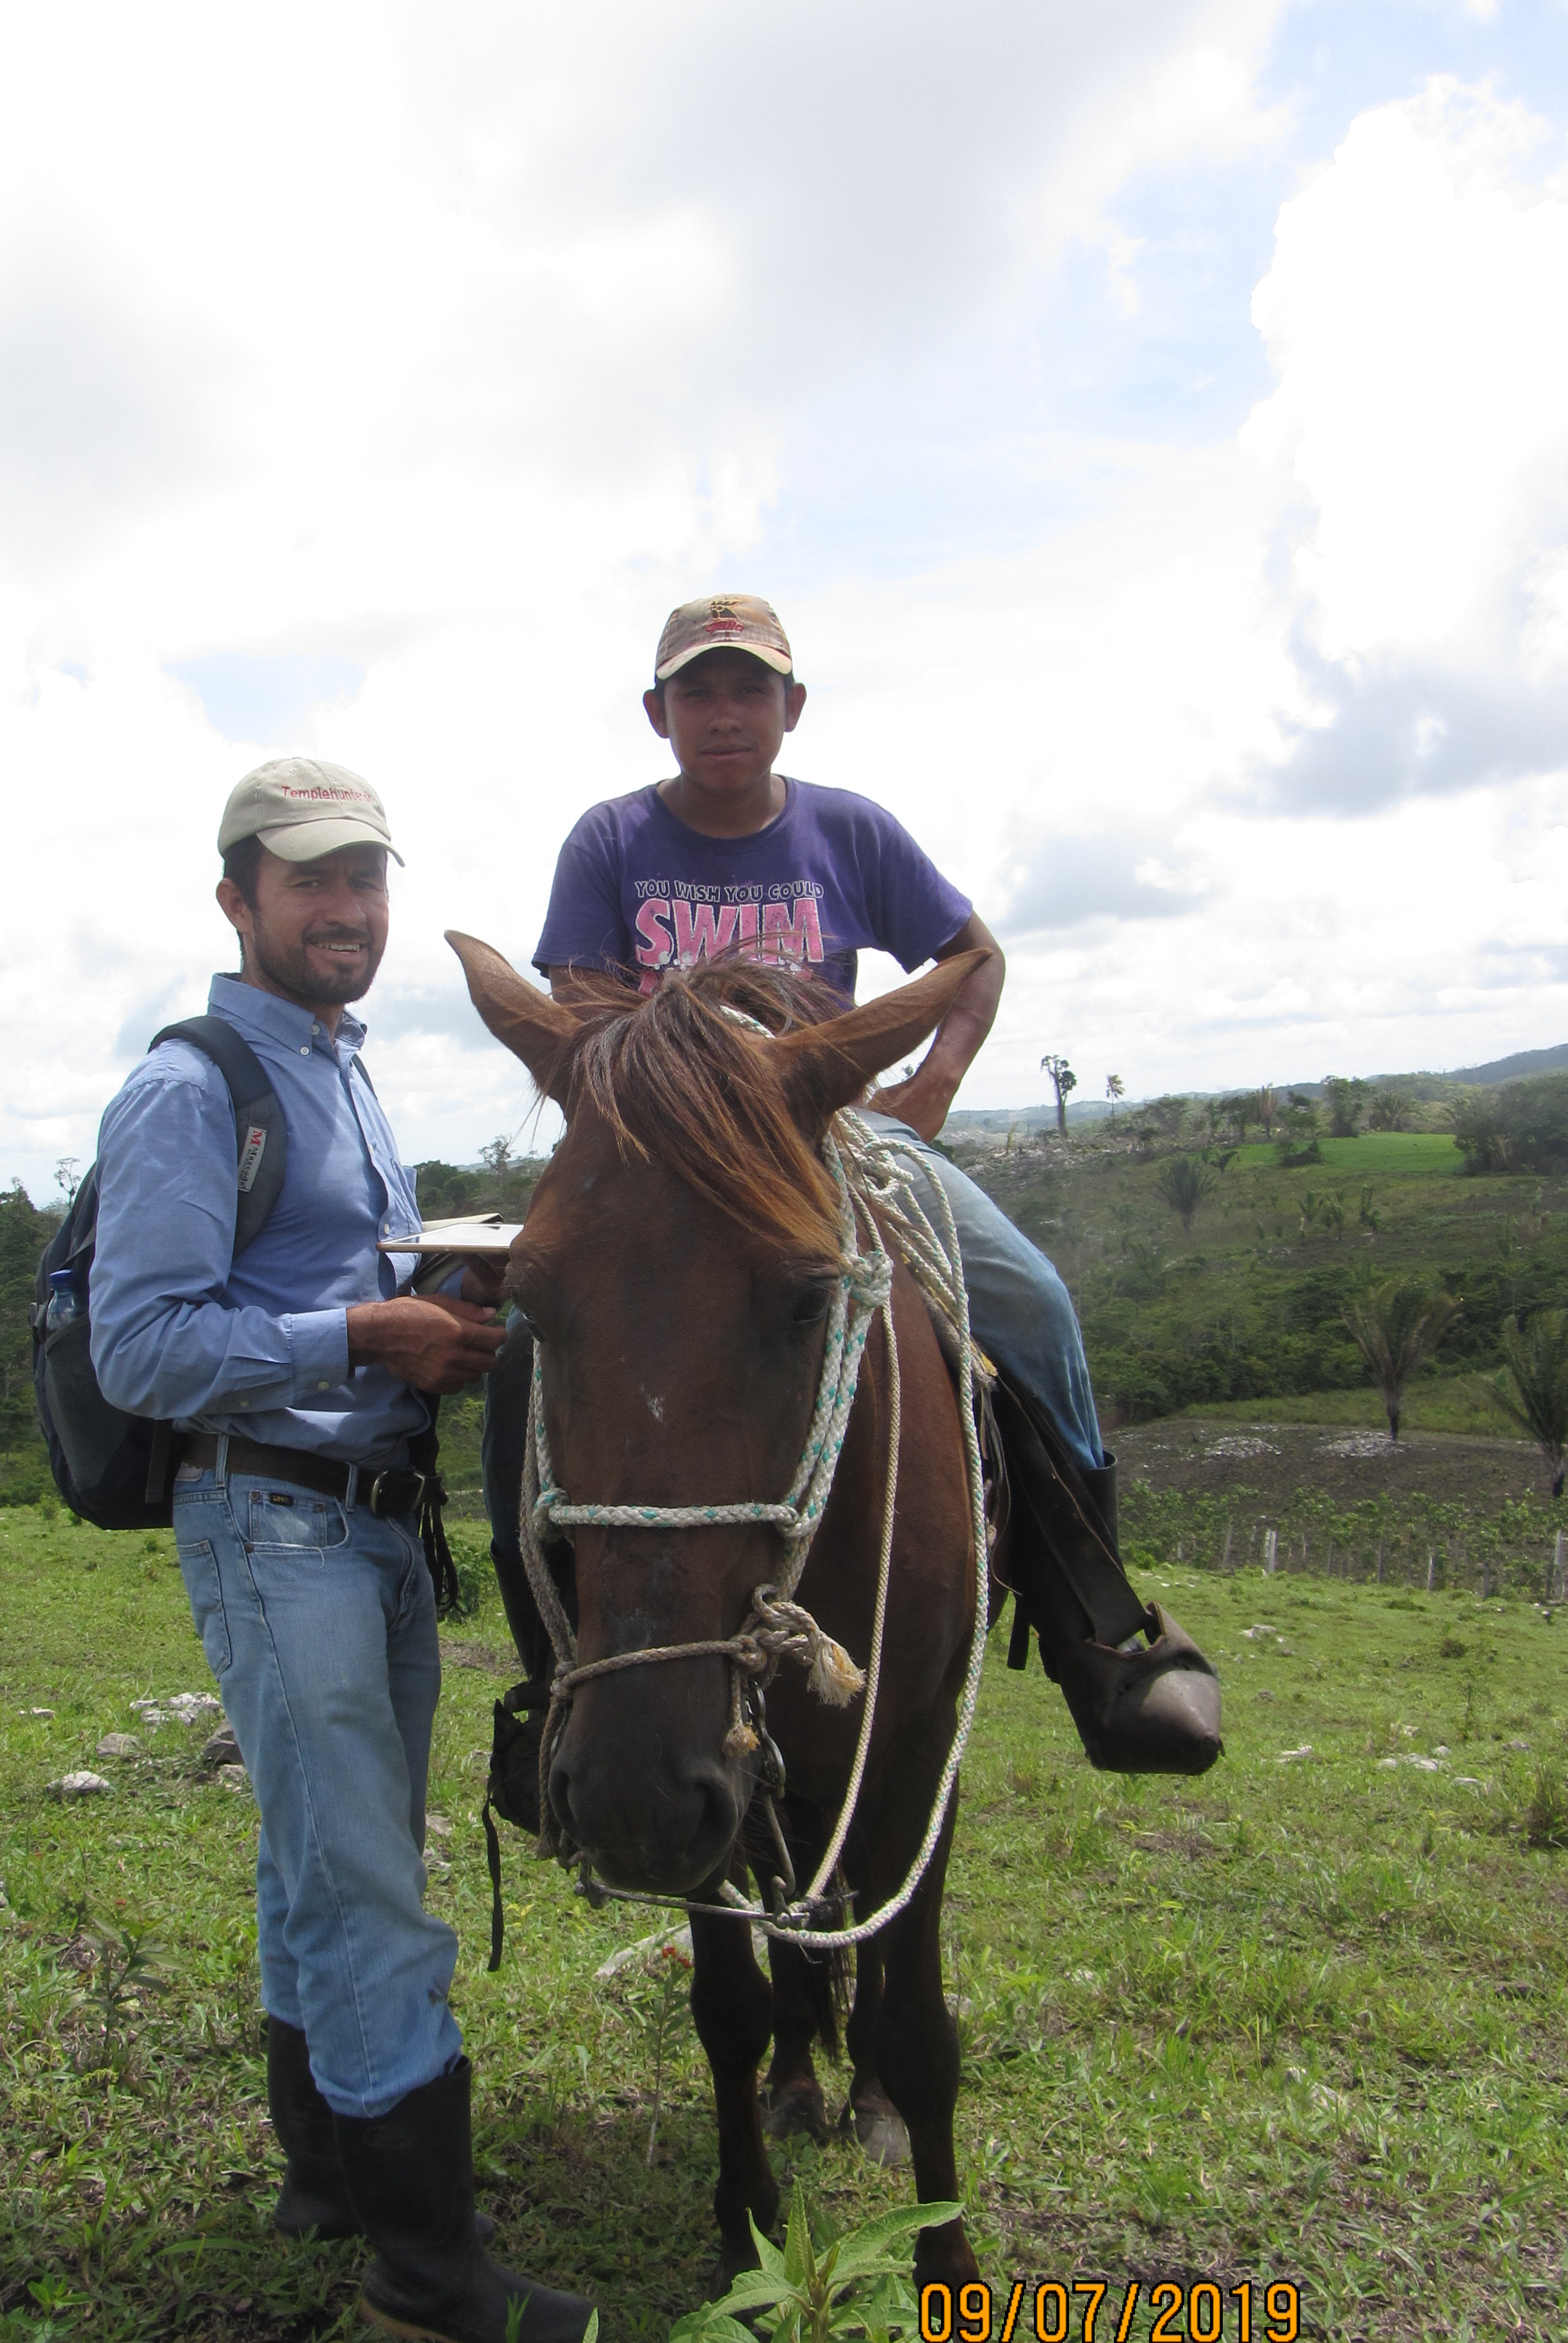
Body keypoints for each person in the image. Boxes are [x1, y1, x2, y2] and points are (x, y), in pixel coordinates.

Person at [483, 599, 1221, 1781]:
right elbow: (580, 1006)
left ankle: (1097, 1625)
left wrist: (931, 1086)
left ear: (792, 708)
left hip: (825, 1136)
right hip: (668, 1159)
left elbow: (971, 956)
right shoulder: (609, 840)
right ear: (657, 713)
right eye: (699, 693)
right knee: (531, 1346)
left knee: (1030, 1301)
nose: (725, 715)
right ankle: (552, 1675)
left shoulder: (852, 830)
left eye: (750, 690)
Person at [87, 755, 592, 2343]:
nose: (346, 909)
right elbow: (141, 1345)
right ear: (238, 899)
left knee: (320, 1852)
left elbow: (314, 1277)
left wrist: (443, 1297)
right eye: (310, 880)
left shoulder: (342, 1066)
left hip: (371, 1523)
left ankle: (325, 2179)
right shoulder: (189, 1087)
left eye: (365, 878)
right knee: (373, 1880)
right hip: (271, 1514)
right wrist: (366, 1329)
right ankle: (429, 2272)